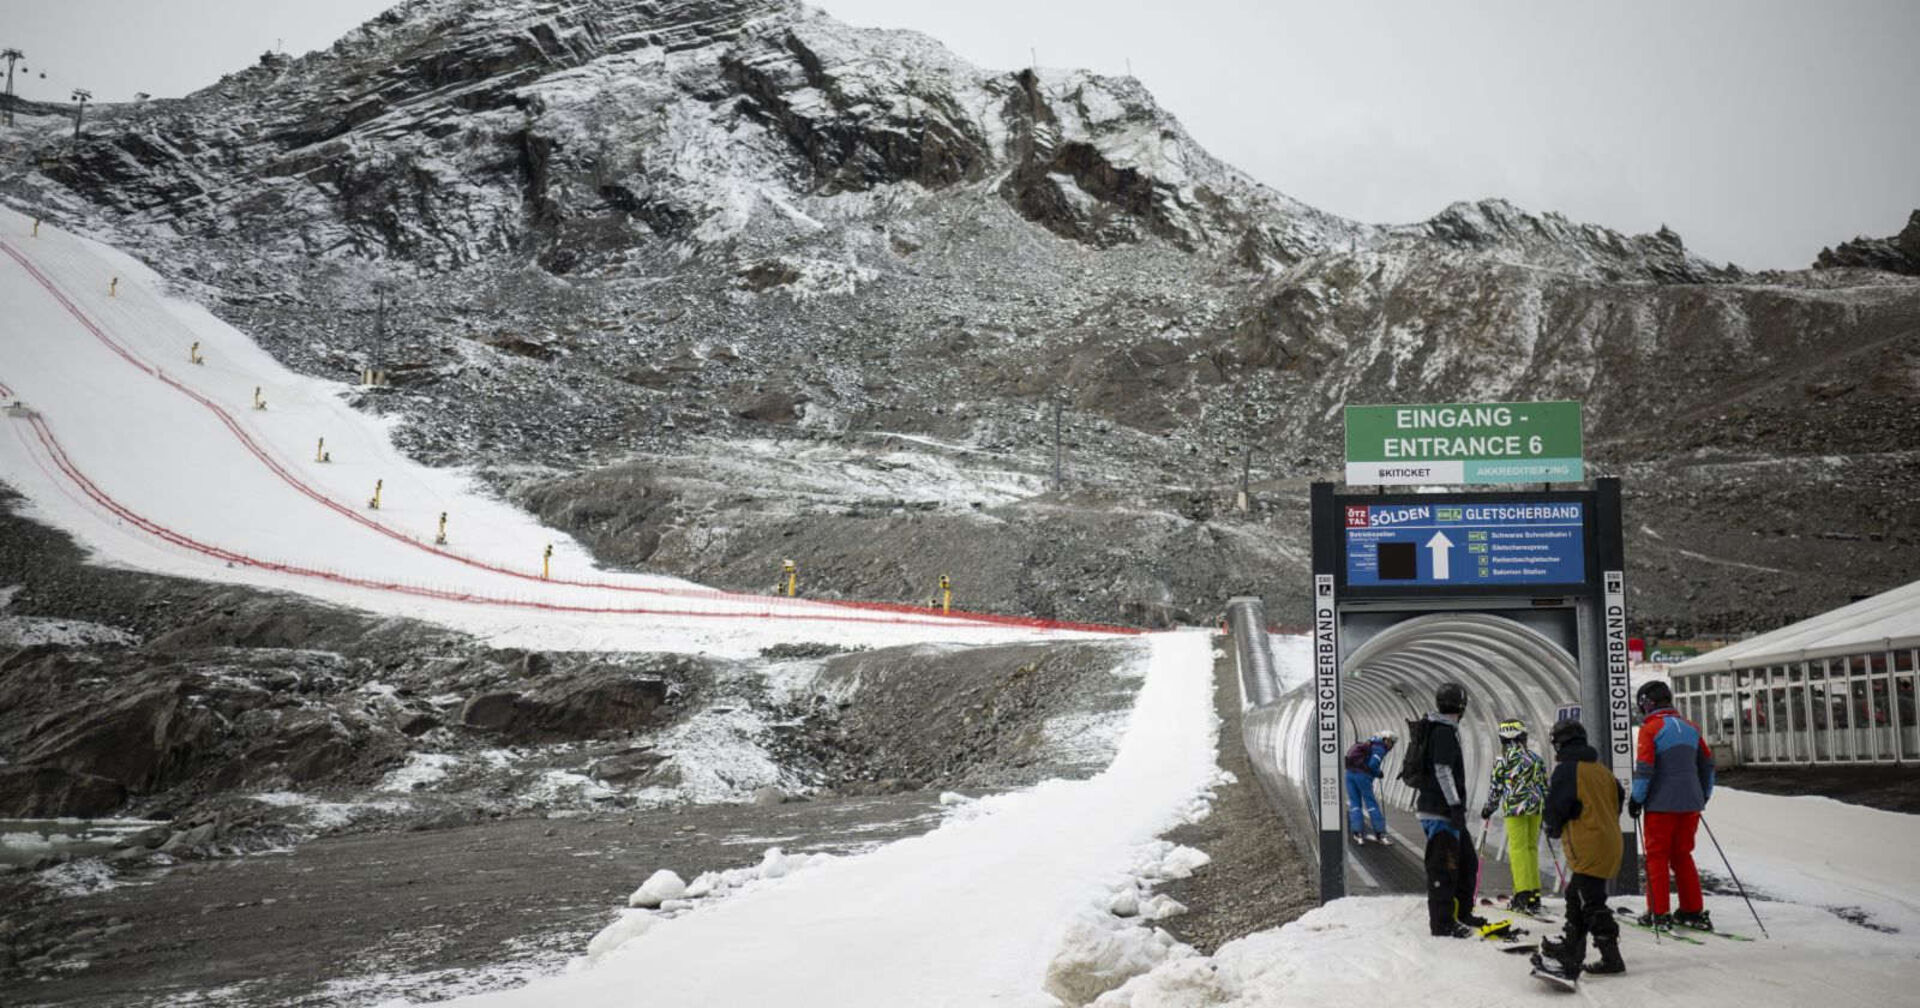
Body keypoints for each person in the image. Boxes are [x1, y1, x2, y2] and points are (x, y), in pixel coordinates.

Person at [1532, 718, 1625, 987]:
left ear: (1560, 743)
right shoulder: (1601, 770)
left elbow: (1555, 807)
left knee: (1589, 901)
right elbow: (1618, 799)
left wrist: (1553, 825)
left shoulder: (1567, 770)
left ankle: (1611, 957)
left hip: (1589, 844)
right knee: (1577, 895)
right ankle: (1572, 947)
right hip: (1609, 840)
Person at [1631, 679, 1716, 931]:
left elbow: (1645, 770)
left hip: (1661, 804)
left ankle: (1658, 912)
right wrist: (1702, 796)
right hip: (1691, 804)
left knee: (1656, 857)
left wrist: (1637, 799)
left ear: (1648, 704)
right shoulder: (1691, 728)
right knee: (1682, 855)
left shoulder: (1651, 729)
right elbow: (1708, 766)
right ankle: (1692, 909)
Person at [1415, 681, 1484, 937]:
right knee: (1444, 868)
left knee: (1467, 862)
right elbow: (1442, 770)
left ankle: (1462, 913)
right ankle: (1442, 924)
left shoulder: (1443, 729)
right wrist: (1455, 805)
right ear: (1462, 706)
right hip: (1440, 812)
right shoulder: (1443, 731)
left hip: (1445, 812)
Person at [1481, 717, 1549, 914]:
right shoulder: (1535, 758)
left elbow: (1496, 787)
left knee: (1518, 850)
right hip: (1536, 808)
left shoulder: (1502, 760)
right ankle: (1535, 894)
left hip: (1515, 809)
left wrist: (1489, 808)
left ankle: (1522, 893)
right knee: (1530, 848)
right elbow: (1544, 786)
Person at [1343, 729, 1397, 845]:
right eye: (1392, 742)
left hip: (1349, 774)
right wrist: (1379, 773)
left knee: (1355, 804)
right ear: (1386, 740)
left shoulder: (1369, 743)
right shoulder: (1380, 748)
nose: (1391, 746)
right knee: (1371, 804)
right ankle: (1380, 834)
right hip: (1362, 777)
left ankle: (1358, 834)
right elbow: (1372, 765)